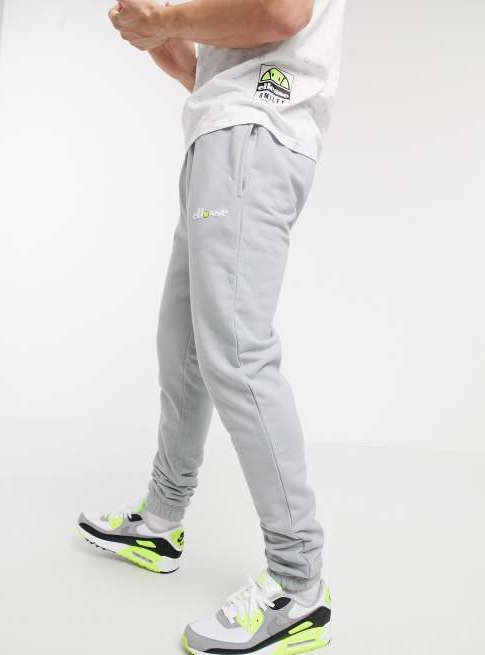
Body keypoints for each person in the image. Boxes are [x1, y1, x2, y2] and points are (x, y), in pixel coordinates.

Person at [77, 0, 346, 652]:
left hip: (256, 130)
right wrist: (153, 31)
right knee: (184, 347)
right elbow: (202, 69)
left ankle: (297, 586)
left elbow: (281, 14)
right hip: (222, 132)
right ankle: (161, 520)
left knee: (237, 355)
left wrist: (168, 21)